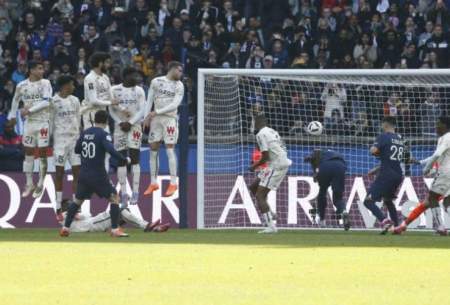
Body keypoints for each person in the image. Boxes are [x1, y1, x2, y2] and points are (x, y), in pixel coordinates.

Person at [60, 110, 130, 238]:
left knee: (77, 201)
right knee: (114, 198)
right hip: (98, 174)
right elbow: (110, 149)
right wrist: (123, 159)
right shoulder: (104, 134)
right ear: (107, 121)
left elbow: (77, 149)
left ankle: (65, 228)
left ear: (94, 120)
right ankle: (114, 229)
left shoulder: (85, 133)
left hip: (84, 174)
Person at [394, 117, 450, 236]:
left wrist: (427, 168)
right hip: (445, 174)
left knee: (432, 199)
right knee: (439, 203)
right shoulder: (445, 139)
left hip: (446, 174)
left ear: (445, 126)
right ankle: (404, 225)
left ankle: (441, 227)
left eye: (438, 124)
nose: (436, 127)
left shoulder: (446, 137)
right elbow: (438, 156)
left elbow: (437, 155)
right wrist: (420, 162)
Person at [8, 61, 52, 198]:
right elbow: (15, 100)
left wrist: (29, 110)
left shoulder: (46, 83)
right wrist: (12, 116)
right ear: (31, 70)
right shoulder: (22, 85)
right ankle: (29, 183)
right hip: (29, 123)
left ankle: (40, 182)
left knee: (43, 152)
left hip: (43, 122)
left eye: (42, 69)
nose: (42, 71)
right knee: (28, 152)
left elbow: (47, 101)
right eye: (39, 69)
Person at [143, 61, 184, 197]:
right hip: (156, 120)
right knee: (153, 149)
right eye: (179, 70)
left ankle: (173, 182)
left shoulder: (179, 85)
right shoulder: (156, 81)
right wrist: (145, 118)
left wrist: (156, 112)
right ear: (171, 69)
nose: (181, 73)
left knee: (169, 149)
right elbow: (149, 100)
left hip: (169, 119)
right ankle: (153, 182)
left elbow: (175, 104)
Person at [249, 114, 292, 234]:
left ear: (258, 123)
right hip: (275, 163)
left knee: (260, 196)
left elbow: (265, 157)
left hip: (276, 165)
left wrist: (254, 166)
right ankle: (270, 212)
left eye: (254, 123)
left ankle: (271, 227)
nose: (253, 125)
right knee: (253, 187)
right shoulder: (271, 131)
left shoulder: (261, 134)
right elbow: (281, 147)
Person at [110, 67, 145, 207]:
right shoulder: (114, 90)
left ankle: (136, 192)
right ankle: (124, 193)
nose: (136, 78)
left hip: (135, 126)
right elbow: (111, 110)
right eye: (134, 75)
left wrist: (130, 122)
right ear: (126, 76)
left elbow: (141, 110)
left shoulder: (140, 90)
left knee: (135, 158)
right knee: (121, 159)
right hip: (119, 127)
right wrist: (120, 122)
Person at [363, 116, 404, 234]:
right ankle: (397, 227)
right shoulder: (400, 139)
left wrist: (374, 149)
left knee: (368, 201)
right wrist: (376, 169)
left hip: (386, 174)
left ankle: (385, 221)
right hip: (398, 175)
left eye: (382, 124)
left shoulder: (383, 136)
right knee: (388, 200)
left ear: (385, 124)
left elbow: (373, 150)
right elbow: (392, 159)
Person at [51, 75, 81, 221]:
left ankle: (76, 208)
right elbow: (50, 122)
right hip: (60, 141)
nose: (74, 87)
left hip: (74, 141)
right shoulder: (53, 101)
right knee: (59, 174)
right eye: (71, 84)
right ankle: (57, 207)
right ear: (64, 86)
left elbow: (78, 119)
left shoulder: (75, 100)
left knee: (77, 173)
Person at [304, 149, 350, 230]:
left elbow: (311, 158)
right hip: (340, 166)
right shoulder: (334, 152)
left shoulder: (317, 152)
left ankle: (322, 220)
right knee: (338, 198)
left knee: (322, 192)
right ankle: (344, 212)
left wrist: (316, 173)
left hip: (325, 166)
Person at [59, 200, 170, 233]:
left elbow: (86, 215)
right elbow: (78, 216)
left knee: (124, 212)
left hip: (96, 222)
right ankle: (148, 226)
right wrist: (72, 213)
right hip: (94, 224)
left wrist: (76, 214)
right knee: (120, 210)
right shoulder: (64, 216)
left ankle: (155, 228)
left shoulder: (70, 217)